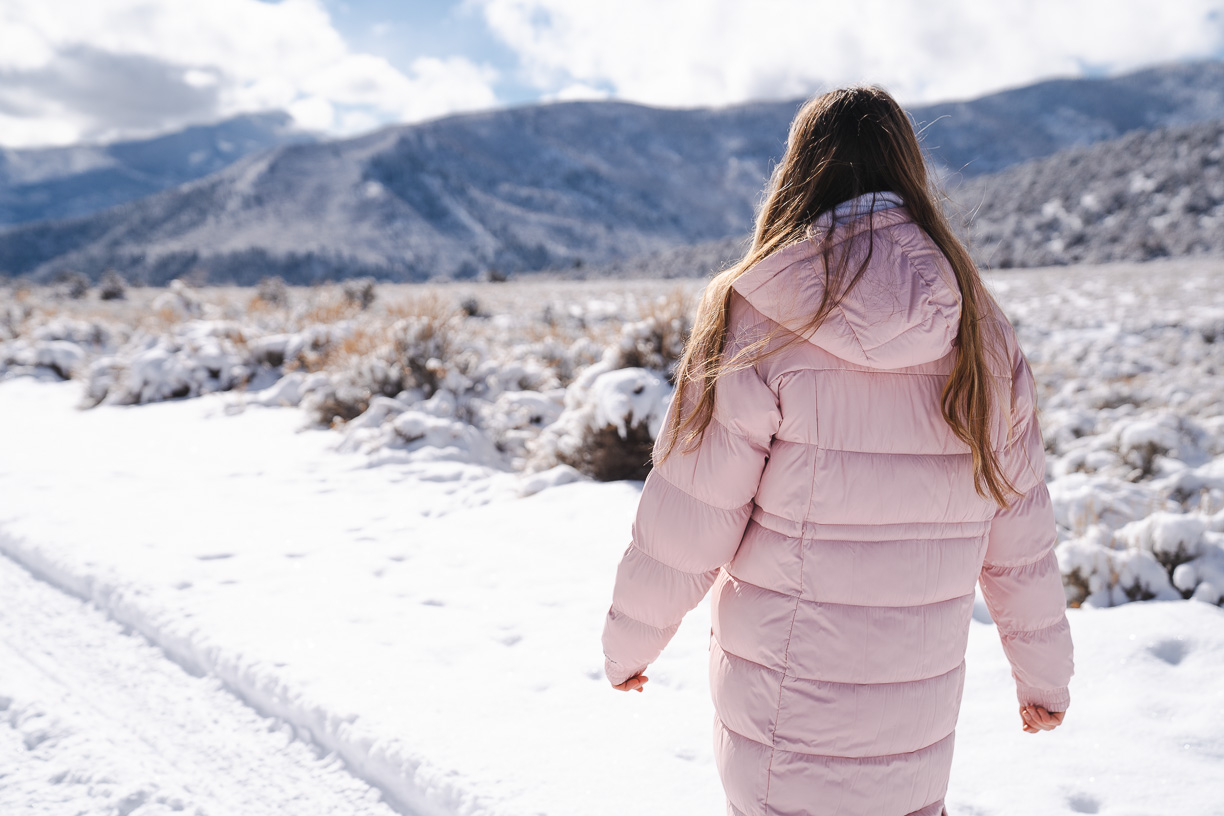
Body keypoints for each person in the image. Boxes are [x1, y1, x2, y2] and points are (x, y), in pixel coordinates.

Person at [600, 86, 1074, 816]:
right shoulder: (981, 327)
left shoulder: (757, 310)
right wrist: (1043, 677)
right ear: (909, 168)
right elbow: (1021, 535)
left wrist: (630, 644)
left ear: (799, 171)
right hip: (914, 727)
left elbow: (691, 512)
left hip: (782, 716)